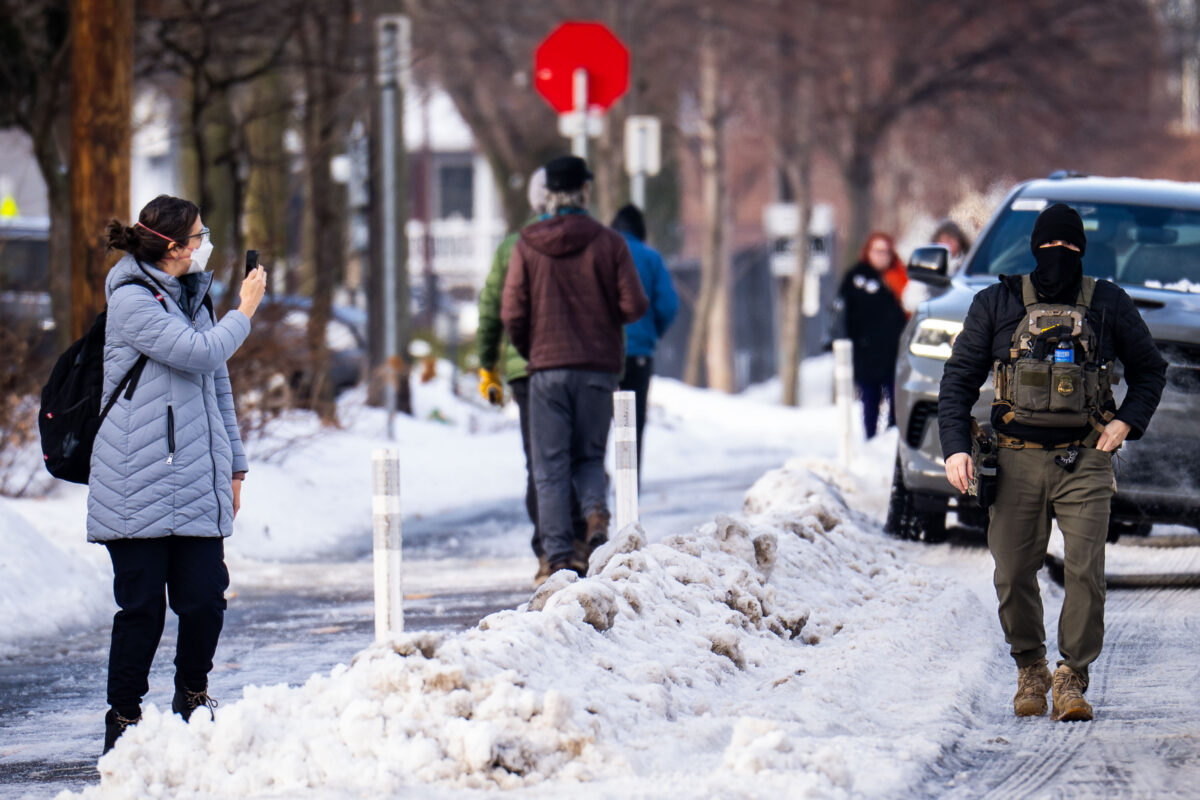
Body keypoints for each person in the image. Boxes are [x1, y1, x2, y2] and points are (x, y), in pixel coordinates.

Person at [939, 203, 1166, 722]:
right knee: (1013, 572)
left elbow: (1152, 369)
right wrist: (955, 446)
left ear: (1081, 252)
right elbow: (957, 380)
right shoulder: (996, 303)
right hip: (1013, 460)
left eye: (1067, 249)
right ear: (1033, 249)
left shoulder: (1108, 303)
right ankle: (1031, 667)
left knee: (1086, 571)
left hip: (1085, 458)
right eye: (1049, 248)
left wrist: (1124, 422)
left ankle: (1072, 676)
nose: (1057, 257)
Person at [92, 195, 267, 753]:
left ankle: (192, 693)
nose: (204, 243)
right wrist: (246, 309)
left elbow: (217, 382)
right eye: (197, 236)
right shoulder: (131, 300)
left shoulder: (193, 294)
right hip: (135, 479)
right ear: (172, 247)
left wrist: (235, 464)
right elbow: (198, 351)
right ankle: (123, 717)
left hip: (193, 476)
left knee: (205, 600)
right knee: (141, 609)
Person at [501, 156, 648, 576]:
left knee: (550, 466)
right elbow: (634, 305)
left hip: (546, 369)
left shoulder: (526, 244)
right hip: (598, 368)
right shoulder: (610, 243)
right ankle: (596, 512)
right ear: (584, 192)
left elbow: (512, 311)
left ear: (549, 195)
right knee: (587, 457)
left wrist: (535, 349)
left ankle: (560, 558)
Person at [476, 169, 586, 586]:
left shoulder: (513, 246)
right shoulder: (587, 237)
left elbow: (491, 309)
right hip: (580, 363)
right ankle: (576, 540)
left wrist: (489, 363)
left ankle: (548, 549)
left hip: (526, 367)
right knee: (579, 456)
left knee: (541, 460)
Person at [611, 204, 679, 480]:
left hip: (601, 355)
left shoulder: (600, 255)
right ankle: (629, 491)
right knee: (632, 425)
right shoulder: (650, 258)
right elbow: (668, 304)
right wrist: (651, 332)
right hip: (638, 353)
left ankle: (593, 498)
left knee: (594, 429)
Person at [837, 232, 908, 439]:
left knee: (896, 397)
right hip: (866, 351)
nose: (881, 256)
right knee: (870, 399)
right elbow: (844, 313)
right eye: (876, 251)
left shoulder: (900, 277)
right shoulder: (855, 277)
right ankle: (871, 440)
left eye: (885, 251)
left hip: (895, 350)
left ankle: (892, 438)